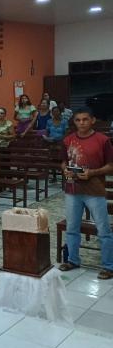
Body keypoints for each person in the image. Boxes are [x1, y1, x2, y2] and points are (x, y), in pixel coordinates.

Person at [59, 107, 113, 280]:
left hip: (94, 191)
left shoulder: (102, 140)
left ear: (93, 120)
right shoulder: (68, 140)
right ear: (74, 121)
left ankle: (108, 266)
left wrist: (92, 173)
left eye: (85, 119)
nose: (81, 123)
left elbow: (111, 166)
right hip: (72, 189)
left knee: (103, 230)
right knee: (72, 228)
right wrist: (65, 170)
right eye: (78, 120)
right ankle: (73, 260)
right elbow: (63, 162)